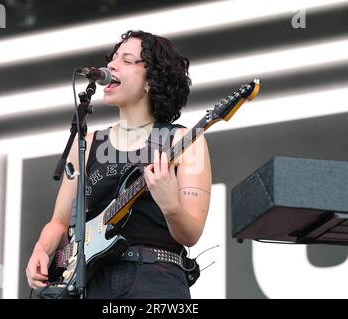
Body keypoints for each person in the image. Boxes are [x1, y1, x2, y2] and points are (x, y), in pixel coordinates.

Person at [26, 30, 212, 299]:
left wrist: (170, 205)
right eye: (112, 59)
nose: (111, 66)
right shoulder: (88, 143)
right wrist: (42, 249)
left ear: (151, 79)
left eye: (126, 60)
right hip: (90, 283)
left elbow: (191, 233)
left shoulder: (184, 140)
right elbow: (59, 221)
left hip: (154, 279)